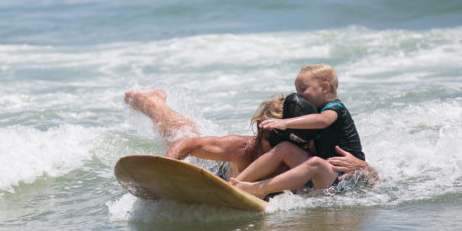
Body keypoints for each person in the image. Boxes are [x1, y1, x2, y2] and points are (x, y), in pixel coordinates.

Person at [125, 87, 375, 184]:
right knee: (181, 131)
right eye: (276, 142)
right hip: (217, 174)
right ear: (261, 134)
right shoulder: (241, 148)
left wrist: (364, 166)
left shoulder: (306, 152)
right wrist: (165, 171)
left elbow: (369, 184)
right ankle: (153, 103)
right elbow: (186, 144)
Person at [230, 64, 377, 197]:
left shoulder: (335, 108)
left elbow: (323, 120)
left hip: (343, 180)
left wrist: (285, 123)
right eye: (297, 91)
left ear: (325, 87)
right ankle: (234, 183)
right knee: (285, 148)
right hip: (323, 177)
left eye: (303, 89)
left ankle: (258, 188)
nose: (300, 96)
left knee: (315, 163)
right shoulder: (315, 112)